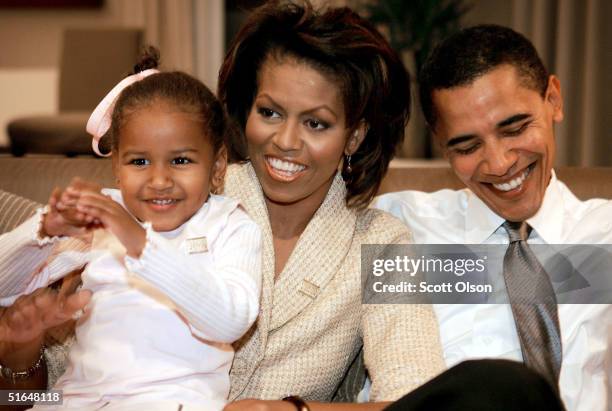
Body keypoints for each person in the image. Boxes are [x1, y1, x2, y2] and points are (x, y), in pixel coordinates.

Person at [0, 1, 445, 410]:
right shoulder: (166, 196)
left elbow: (418, 402)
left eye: (316, 123)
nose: (285, 142)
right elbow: (41, 392)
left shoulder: (385, 244)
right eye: (269, 112)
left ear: (354, 135)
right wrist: (19, 356)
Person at [0, 48, 262, 410]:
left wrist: (138, 241)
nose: (159, 180)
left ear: (217, 167)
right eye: (139, 161)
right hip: (73, 400)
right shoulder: (99, 219)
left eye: (181, 160)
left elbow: (230, 320)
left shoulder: (229, 224)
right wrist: (44, 232)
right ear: (117, 170)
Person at [374, 24, 612, 411]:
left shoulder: (605, 233)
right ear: (441, 144)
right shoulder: (400, 227)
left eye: (515, 128)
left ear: (553, 99)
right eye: (467, 145)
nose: (499, 164)